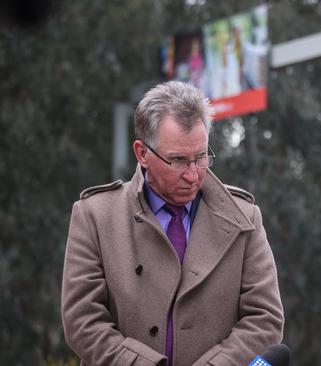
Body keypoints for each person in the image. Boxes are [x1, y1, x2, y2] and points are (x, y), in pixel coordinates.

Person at [61, 81, 284, 365]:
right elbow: (82, 321)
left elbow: (265, 320)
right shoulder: (94, 216)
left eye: (201, 157)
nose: (193, 175)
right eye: (178, 160)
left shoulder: (245, 219)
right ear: (142, 153)